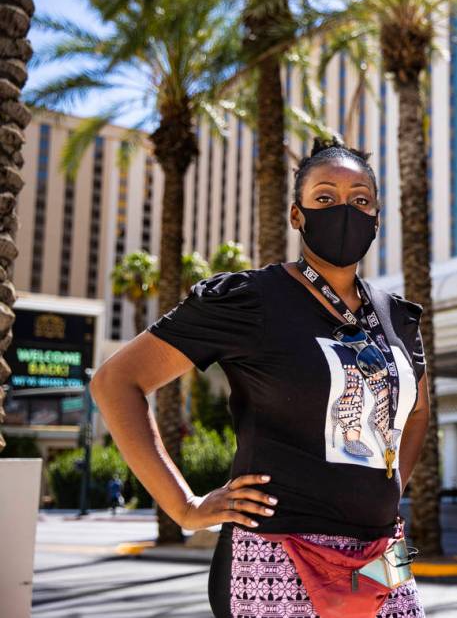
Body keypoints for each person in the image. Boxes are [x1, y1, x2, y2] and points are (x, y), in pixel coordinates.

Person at [90, 137, 430, 618]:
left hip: (383, 553)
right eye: (325, 198)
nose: (345, 210)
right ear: (297, 215)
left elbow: (417, 413)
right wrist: (184, 507)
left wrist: (390, 491)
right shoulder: (250, 300)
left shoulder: (398, 317)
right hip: (278, 551)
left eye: (361, 200)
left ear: (376, 217)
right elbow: (115, 382)